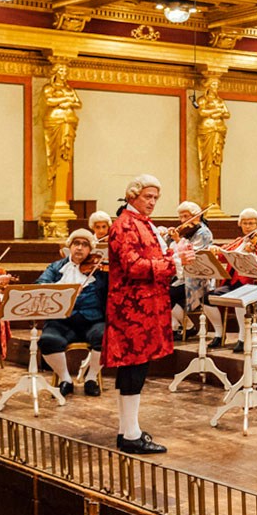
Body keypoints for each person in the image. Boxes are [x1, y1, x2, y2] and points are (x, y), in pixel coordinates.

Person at [104, 174, 190, 454]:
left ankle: (127, 430)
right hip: (132, 307)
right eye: (147, 197)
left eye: (155, 198)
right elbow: (134, 266)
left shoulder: (140, 223)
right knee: (134, 367)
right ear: (132, 197)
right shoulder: (125, 225)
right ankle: (130, 435)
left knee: (134, 368)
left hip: (144, 305)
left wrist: (171, 254)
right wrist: (174, 262)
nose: (152, 202)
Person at [35, 229, 109, 397]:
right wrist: (62, 290)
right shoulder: (56, 267)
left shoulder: (100, 270)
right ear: (70, 246)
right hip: (62, 321)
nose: (80, 248)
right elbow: (41, 284)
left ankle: (91, 379)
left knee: (105, 337)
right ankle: (65, 379)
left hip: (92, 320)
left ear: (91, 250)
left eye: (85, 245)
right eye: (76, 243)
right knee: (47, 340)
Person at [205, 208, 257, 353]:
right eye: (244, 223)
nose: (248, 226)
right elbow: (225, 254)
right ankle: (219, 333)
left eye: (251, 223)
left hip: (253, 285)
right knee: (207, 298)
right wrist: (216, 250)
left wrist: (253, 256)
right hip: (233, 282)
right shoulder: (239, 241)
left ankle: (243, 338)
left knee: (238, 297)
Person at [169, 201, 216, 338]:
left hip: (198, 278)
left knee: (168, 294)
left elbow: (192, 254)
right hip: (184, 276)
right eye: (181, 217)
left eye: (186, 216)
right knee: (161, 291)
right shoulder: (187, 232)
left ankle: (188, 326)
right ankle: (178, 325)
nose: (183, 220)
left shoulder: (204, 232)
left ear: (197, 216)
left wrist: (178, 240)